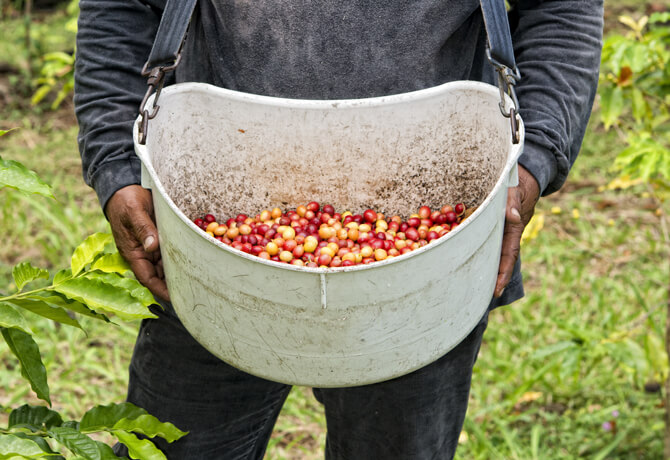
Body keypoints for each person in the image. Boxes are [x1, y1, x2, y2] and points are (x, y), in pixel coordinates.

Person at [74, 1, 604, 458]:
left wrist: (531, 160)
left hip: (429, 252)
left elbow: (562, 12)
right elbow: (121, 9)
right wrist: (117, 164)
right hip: (207, 234)